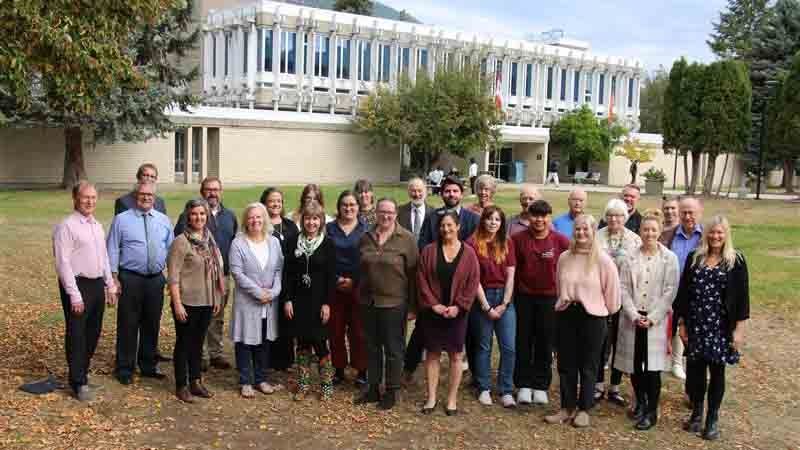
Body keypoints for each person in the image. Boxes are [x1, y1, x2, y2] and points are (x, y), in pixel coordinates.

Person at [674, 215, 749, 441]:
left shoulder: (736, 261)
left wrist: (738, 330)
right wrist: (682, 323)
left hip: (720, 327)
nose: (716, 236)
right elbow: (684, 294)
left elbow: (743, 300)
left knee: (717, 373)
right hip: (696, 324)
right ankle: (697, 413)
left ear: (726, 235)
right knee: (695, 372)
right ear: (705, 234)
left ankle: (712, 419)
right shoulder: (694, 258)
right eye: (712, 232)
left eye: (720, 232)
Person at [545, 214, 620, 428]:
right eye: (578, 229)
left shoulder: (603, 261)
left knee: (589, 365)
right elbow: (560, 287)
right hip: (568, 313)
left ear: (593, 231)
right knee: (566, 363)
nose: (581, 233)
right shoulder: (564, 258)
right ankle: (566, 407)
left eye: (586, 229)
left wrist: (602, 312)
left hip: (593, 318)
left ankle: (584, 409)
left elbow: (613, 296)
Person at [613, 210, 679, 430]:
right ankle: (640, 402)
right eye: (645, 229)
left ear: (659, 232)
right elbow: (622, 288)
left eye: (653, 230)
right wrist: (633, 314)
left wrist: (652, 318)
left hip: (655, 320)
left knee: (652, 369)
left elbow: (670, 291)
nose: (649, 233)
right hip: (632, 317)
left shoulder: (669, 258)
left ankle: (652, 410)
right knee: (634, 365)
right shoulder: (629, 257)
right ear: (639, 231)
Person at [53, 181, 118, 401]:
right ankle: (77, 382)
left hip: (96, 284)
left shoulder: (96, 225)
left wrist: (110, 284)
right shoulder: (67, 226)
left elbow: (104, 257)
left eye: (93, 197)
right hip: (77, 284)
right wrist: (74, 294)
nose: (90, 201)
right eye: (85, 197)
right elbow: (63, 263)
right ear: (75, 198)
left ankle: (83, 373)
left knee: (93, 332)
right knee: (77, 334)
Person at [411, 175, 480, 379]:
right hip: (435, 283)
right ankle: (409, 367)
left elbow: (474, 253)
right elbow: (423, 243)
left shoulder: (472, 219)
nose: (451, 194)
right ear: (442, 194)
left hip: (462, 285)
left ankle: (475, 374)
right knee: (423, 333)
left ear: (461, 193)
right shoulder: (434, 216)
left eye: (455, 191)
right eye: (447, 191)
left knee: (468, 334)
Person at [107, 180, 174, 385]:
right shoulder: (121, 219)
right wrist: (114, 277)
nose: (146, 198)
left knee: (151, 323)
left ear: (155, 197)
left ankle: (148, 366)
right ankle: (125, 368)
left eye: (150, 195)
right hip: (130, 278)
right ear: (136, 196)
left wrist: (172, 278)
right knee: (128, 323)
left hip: (155, 279)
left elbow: (171, 250)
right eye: (142, 194)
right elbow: (112, 248)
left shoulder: (163, 220)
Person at [357, 198, 419, 410]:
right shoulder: (365, 237)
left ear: (396, 214)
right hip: (369, 302)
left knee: (394, 348)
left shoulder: (406, 239)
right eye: (382, 212)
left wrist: (413, 306)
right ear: (375, 213)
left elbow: (413, 274)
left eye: (390, 212)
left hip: (395, 304)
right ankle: (373, 388)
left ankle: (392, 390)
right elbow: (361, 269)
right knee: (372, 346)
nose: (385, 216)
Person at [417, 211, 480, 415]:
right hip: (433, 312)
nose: (446, 229)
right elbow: (421, 279)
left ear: (458, 226)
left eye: (450, 225)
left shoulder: (469, 253)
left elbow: (472, 282)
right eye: (443, 226)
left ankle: (452, 399)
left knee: (455, 355)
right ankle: (432, 397)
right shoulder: (428, 251)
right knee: (433, 354)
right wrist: (433, 304)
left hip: (457, 313)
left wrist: (459, 306)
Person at [174, 177, 238, 371]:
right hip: (195, 278)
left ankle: (215, 353)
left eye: (216, 189)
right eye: (208, 189)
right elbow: (179, 243)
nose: (212, 193)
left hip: (221, 276)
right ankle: (198, 355)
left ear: (221, 191)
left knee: (216, 316)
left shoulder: (229, 216)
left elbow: (234, 242)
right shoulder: (190, 214)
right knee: (197, 318)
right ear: (202, 191)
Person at [511, 200, 570, 405]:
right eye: (535, 215)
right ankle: (523, 384)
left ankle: (541, 384)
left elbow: (569, 268)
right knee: (523, 340)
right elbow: (513, 269)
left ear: (549, 217)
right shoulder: (518, 239)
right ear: (529, 217)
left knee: (545, 342)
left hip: (549, 298)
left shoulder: (560, 241)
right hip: (524, 296)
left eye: (543, 216)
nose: (539, 220)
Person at [166, 198, 225, 402]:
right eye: (194, 214)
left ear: (207, 216)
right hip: (187, 302)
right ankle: (182, 384)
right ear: (187, 216)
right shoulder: (181, 242)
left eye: (202, 213)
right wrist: (177, 303)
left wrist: (216, 296)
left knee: (198, 343)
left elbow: (216, 272)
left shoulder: (209, 239)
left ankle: (196, 381)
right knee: (184, 343)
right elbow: (173, 277)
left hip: (206, 301)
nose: (198, 217)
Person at [282, 201, 337, 401]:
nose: (311, 222)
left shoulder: (328, 243)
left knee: (321, 344)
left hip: (319, 302)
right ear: (302, 220)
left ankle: (326, 386)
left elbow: (332, 277)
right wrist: (287, 299)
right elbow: (286, 274)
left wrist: (327, 303)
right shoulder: (292, 241)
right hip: (298, 301)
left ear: (321, 221)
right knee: (302, 345)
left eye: (315, 218)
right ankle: (303, 385)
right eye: (307, 218)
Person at [229, 203, 285, 398]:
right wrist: (258, 292)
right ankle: (245, 380)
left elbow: (279, 270)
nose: (255, 221)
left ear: (265, 219)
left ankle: (261, 378)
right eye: (251, 217)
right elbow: (237, 273)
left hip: (269, 302)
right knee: (245, 342)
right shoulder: (238, 243)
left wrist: (273, 292)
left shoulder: (274, 243)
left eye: (259, 217)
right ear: (246, 220)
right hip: (247, 302)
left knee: (264, 341)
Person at [466, 206, 517, 408]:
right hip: (482, 298)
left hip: (504, 297)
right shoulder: (472, 243)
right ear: (483, 221)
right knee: (483, 346)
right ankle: (484, 387)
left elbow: (511, 275)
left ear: (501, 223)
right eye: (489, 219)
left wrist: (505, 303)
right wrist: (486, 307)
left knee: (509, 347)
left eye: (497, 219)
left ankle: (505, 389)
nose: (493, 223)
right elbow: (474, 279)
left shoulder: (507, 242)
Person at [595, 198, 642, 406]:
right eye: (611, 215)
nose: (614, 219)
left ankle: (614, 387)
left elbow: (639, 270)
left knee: (619, 342)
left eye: (619, 215)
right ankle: (597, 385)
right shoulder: (596, 237)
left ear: (626, 217)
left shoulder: (635, 240)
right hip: (599, 297)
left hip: (625, 298)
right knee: (600, 341)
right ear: (606, 217)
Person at [326, 191, 369, 385]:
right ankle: (339, 368)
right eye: (344, 204)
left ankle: (361, 370)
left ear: (359, 208)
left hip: (359, 287)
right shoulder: (328, 229)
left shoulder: (367, 230)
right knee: (335, 330)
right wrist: (336, 279)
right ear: (338, 207)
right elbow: (323, 257)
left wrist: (354, 280)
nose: (348, 208)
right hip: (334, 288)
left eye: (352, 205)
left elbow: (369, 261)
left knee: (359, 331)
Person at [260, 187, 299, 371]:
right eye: (271, 201)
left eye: (279, 201)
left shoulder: (290, 226)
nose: (275, 204)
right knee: (267, 318)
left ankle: (285, 360)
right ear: (264, 204)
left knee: (285, 318)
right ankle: (265, 359)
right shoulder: (260, 224)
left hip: (287, 277)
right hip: (266, 279)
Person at [668, 196, 704, 382]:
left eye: (692, 212)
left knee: (693, 338)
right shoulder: (669, 235)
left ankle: (693, 386)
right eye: (684, 212)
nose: (687, 216)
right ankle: (673, 363)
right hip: (671, 292)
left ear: (700, 213)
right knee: (670, 331)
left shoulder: (708, 236)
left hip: (696, 295)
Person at [398, 177, 433, 241]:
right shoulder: (399, 211)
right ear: (408, 192)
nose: (417, 194)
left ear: (425, 192)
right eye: (413, 191)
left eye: (420, 191)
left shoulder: (433, 213)